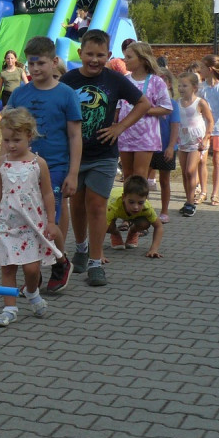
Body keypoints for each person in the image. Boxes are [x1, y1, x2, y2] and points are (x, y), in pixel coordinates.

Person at [59, 29, 153, 287]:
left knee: (97, 205)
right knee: (76, 204)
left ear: (109, 55)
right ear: (80, 53)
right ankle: (81, 247)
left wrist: (119, 127)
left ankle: (96, 262)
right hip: (74, 155)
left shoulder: (115, 79)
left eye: (101, 55)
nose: (94, 59)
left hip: (103, 155)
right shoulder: (68, 80)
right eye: (89, 54)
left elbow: (143, 103)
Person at [3, 35, 82, 294]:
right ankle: (33, 268)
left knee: (51, 219)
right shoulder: (19, 94)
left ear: (54, 62)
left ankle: (61, 261)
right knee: (25, 219)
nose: (36, 69)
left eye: (41, 63)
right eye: (31, 64)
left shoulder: (67, 95)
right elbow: (8, 130)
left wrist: (72, 173)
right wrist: (3, 160)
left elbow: (74, 135)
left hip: (56, 168)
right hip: (22, 169)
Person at [0, 108, 61, 327]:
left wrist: (51, 222)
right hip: (7, 224)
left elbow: (47, 193)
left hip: (32, 224)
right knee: (8, 267)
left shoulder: (39, 163)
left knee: (31, 268)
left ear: (29, 136)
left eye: (16, 140)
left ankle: (32, 291)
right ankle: (9, 307)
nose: (11, 145)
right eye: (7, 140)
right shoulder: (1, 163)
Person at [117, 42, 172, 181]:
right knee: (127, 175)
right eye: (125, 56)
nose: (125, 60)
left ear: (142, 59)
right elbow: (118, 107)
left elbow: (166, 107)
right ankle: (127, 202)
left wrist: (144, 110)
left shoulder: (156, 82)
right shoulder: (124, 81)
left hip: (145, 136)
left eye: (129, 57)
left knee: (140, 175)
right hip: (125, 134)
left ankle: (140, 203)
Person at [175, 71, 214, 217]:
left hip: (197, 142)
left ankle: (191, 203)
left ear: (194, 87)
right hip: (182, 140)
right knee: (185, 173)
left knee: (191, 170)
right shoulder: (177, 103)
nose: (181, 88)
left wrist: (206, 138)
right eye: (179, 85)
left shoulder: (200, 102)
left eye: (185, 85)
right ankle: (188, 201)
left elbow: (210, 121)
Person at [197, 55, 219, 205]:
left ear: (210, 70)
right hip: (204, 130)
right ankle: (203, 191)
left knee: (217, 160)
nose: (200, 70)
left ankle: (215, 193)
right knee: (201, 160)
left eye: (203, 68)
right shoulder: (202, 87)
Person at [148, 70, 181, 224]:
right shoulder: (150, 103)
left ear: (169, 84)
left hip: (166, 148)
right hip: (148, 147)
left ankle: (164, 211)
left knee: (164, 180)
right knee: (144, 180)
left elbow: (175, 127)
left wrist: (171, 146)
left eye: (164, 81)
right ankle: (145, 209)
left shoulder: (172, 104)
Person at [106, 175, 164, 257]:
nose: (136, 207)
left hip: (133, 217)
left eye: (140, 203)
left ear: (146, 199)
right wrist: (98, 254)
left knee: (145, 223)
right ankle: (115, 234)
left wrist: (153, 249)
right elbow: (100, 227)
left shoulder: (146, 207)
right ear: (123, 197)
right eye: (131, 202)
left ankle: (133, 232)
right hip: (112, 209)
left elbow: (159, 227)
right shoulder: (113, 205)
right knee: (104, 224)